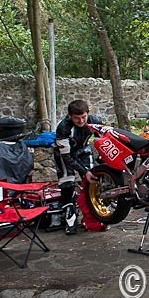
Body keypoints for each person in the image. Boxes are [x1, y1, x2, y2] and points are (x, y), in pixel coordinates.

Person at [54, 99, 102, 235]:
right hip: (65, 154)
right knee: (67, 182)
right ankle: (70, 218)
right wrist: (83, 171)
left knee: (92, 181)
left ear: (88, 114)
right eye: (77, 118)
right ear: (70, 116)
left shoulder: (95, 121)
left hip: (83, 150)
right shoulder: (63, 127)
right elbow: (67, 157)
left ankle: (94, 217)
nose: (81, 121)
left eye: (83, 117)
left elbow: (104, 138)